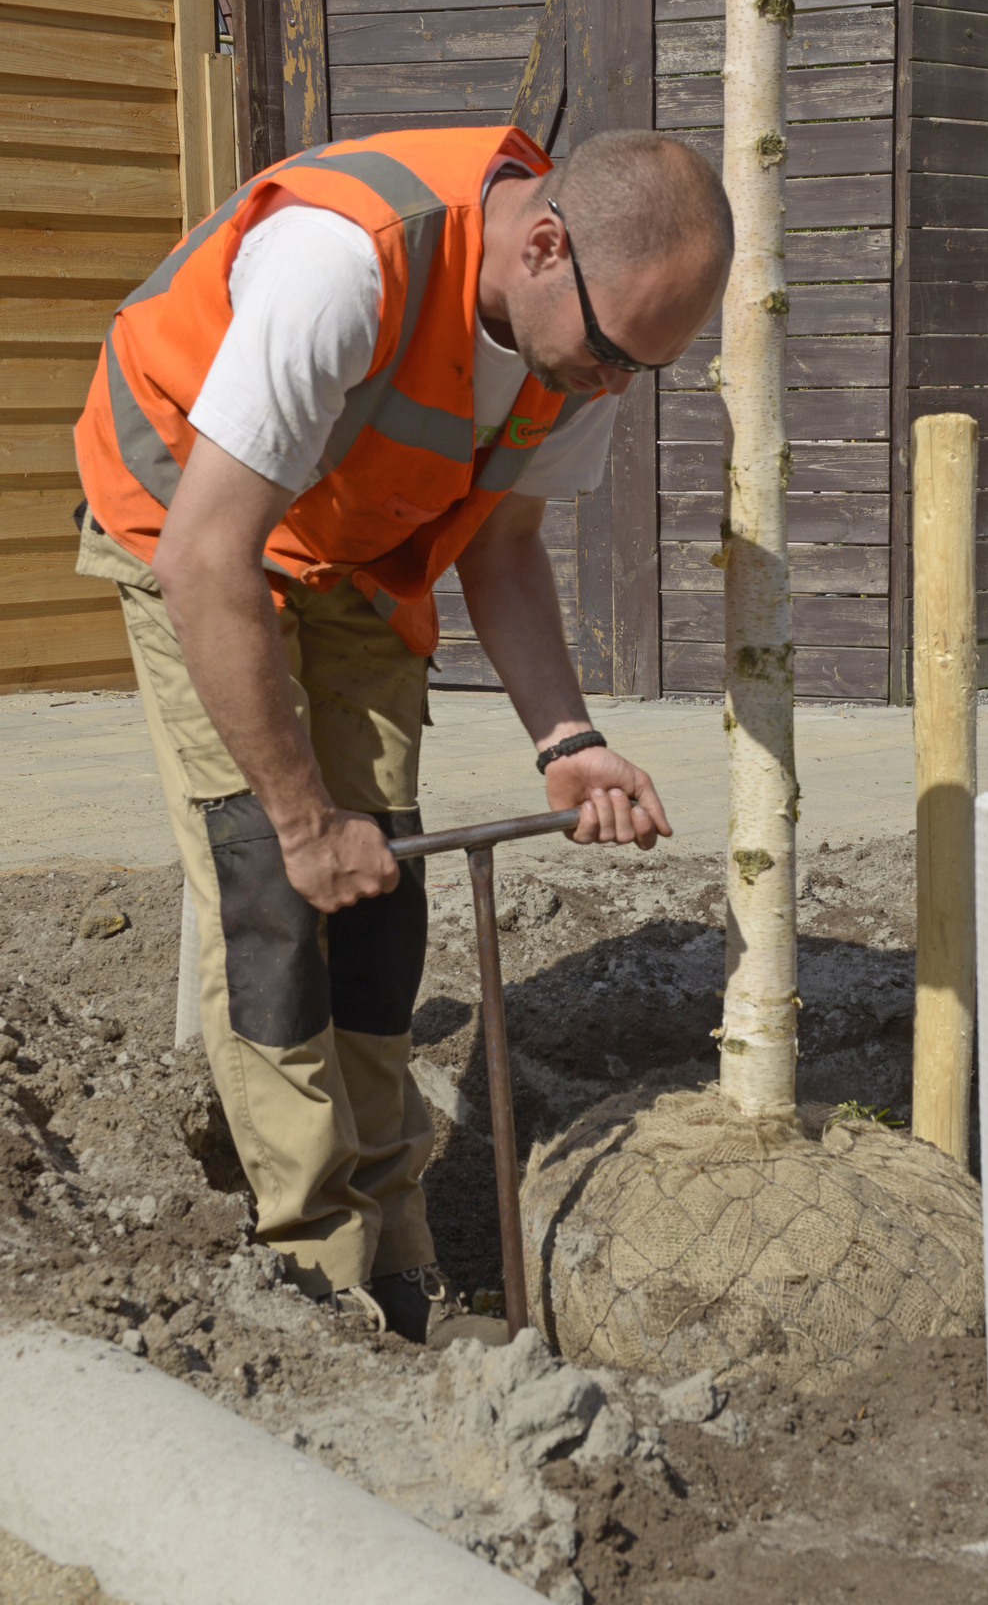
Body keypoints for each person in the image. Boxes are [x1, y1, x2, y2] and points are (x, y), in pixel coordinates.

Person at [73, 124, 733, 1346]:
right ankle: (319, 1273)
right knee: (274, 889)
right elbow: (206, 557)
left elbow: (505, 546)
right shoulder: (344, 260)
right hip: (189, 516)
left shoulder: (579, 336)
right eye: (610, 356)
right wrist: (299, 814)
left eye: (645, 366)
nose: (615, 388)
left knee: (381, 900)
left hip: (360, 548)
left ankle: (402, 1243)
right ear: (544, 246)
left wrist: (566, 738)